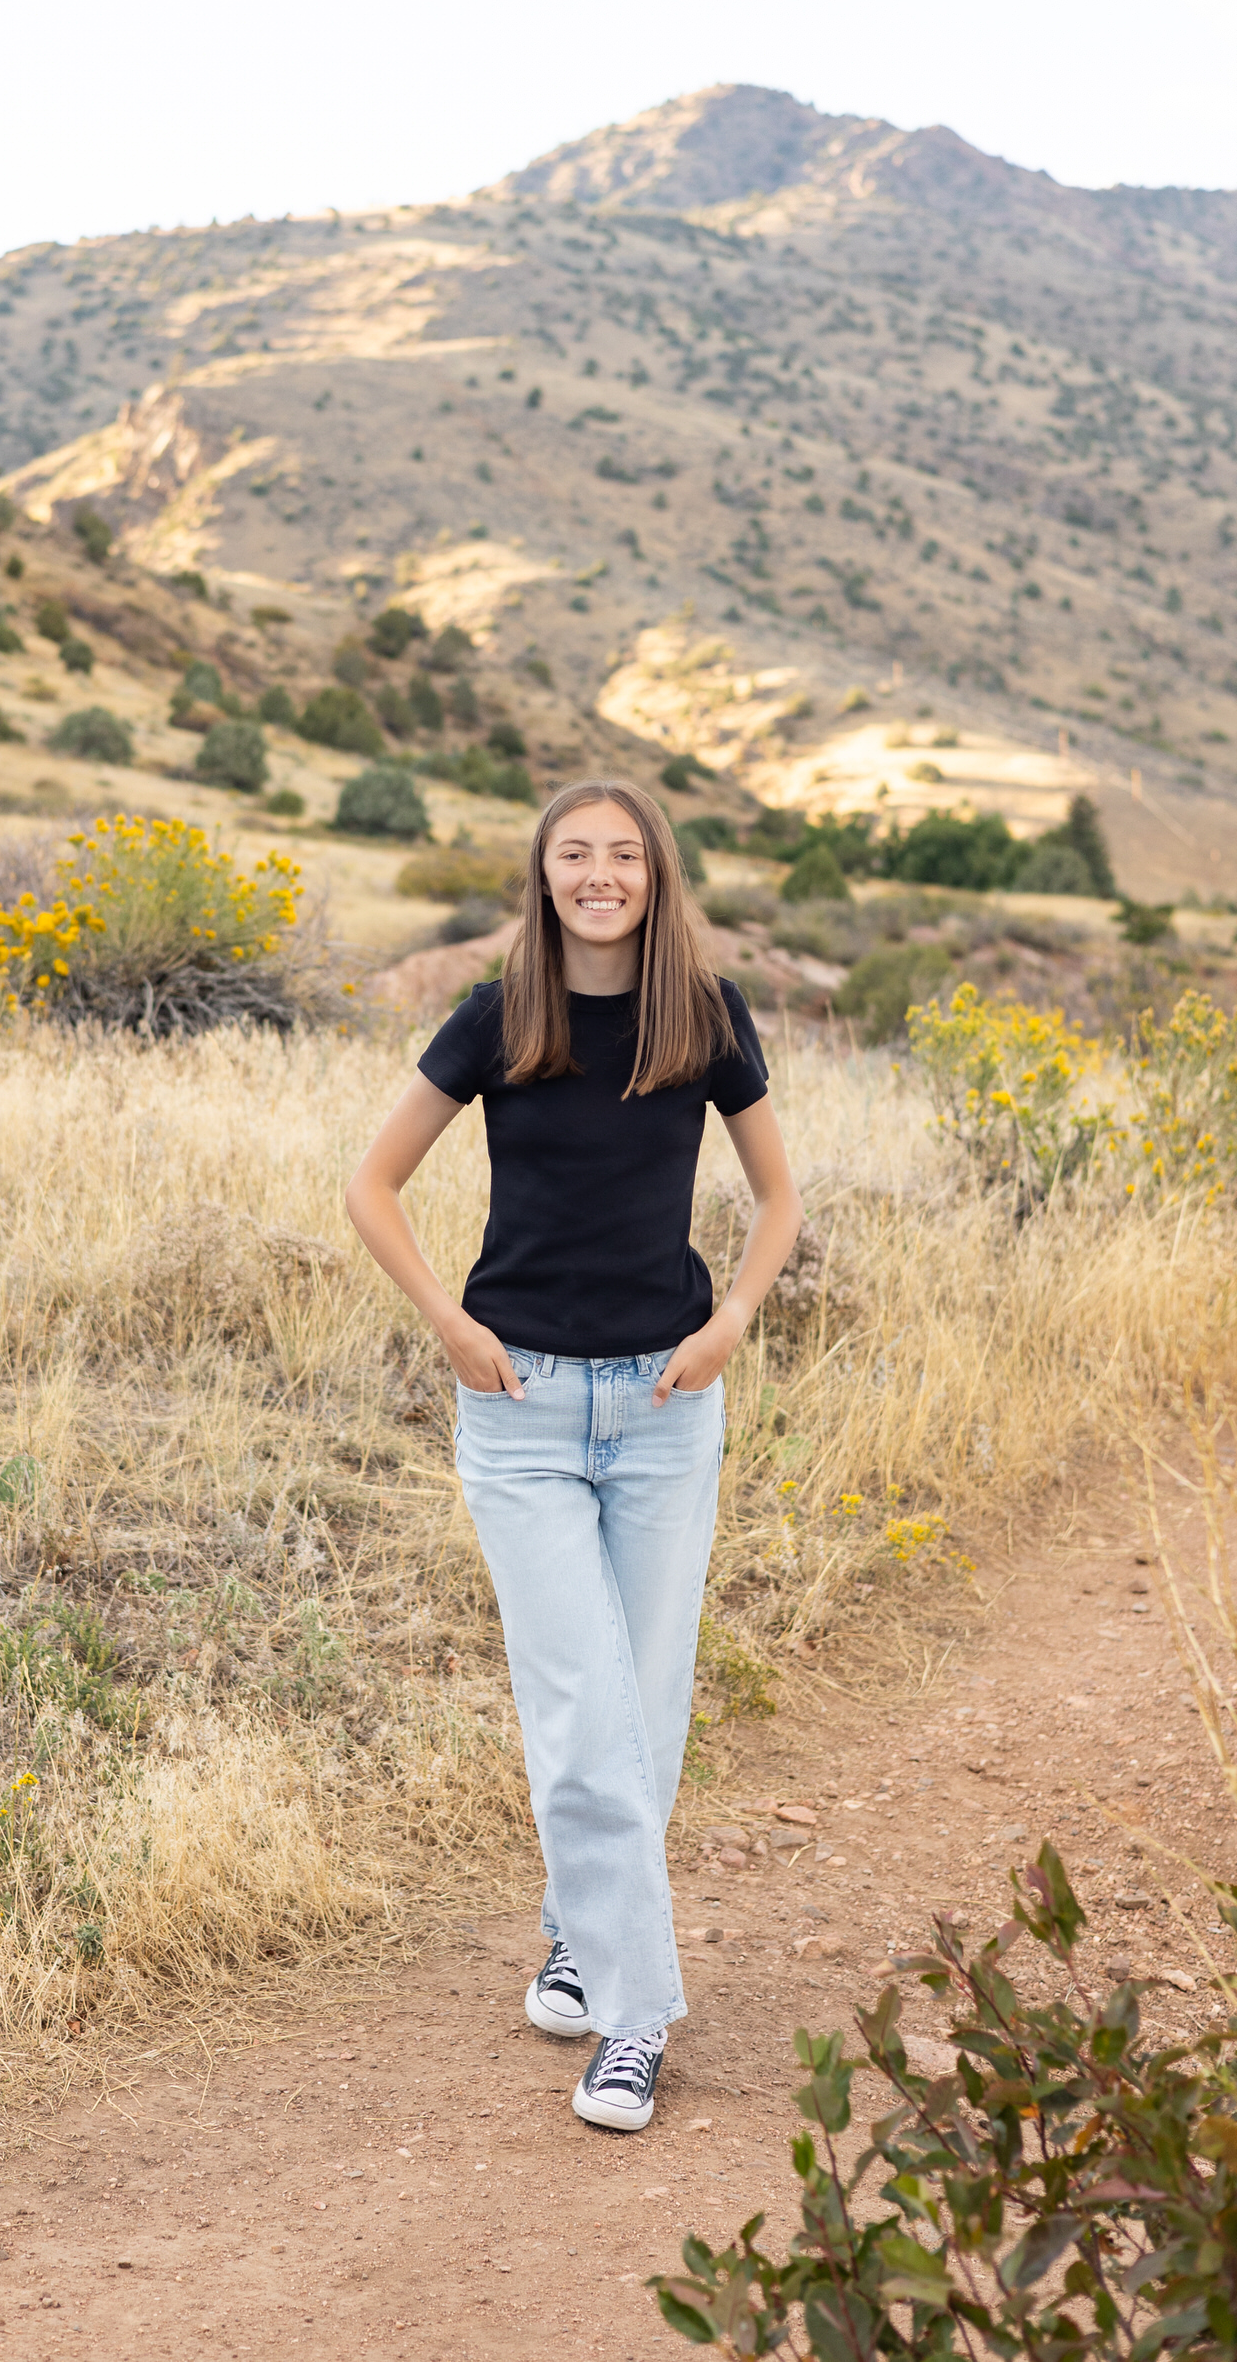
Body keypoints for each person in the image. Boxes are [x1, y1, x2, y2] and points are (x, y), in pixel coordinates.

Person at [346, 780, 802, 2131]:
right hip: (522, 1411)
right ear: (540, 878)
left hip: (666, 1406)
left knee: (642, 1711)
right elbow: (370, 1185)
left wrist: (727, 1326)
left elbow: (778, 1198)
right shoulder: (497, 1016)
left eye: (621, 856)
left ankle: (575, 1932)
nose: (598, 875)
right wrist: (451, 1326)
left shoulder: (704, 1016)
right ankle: (635, 2016)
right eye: (573, 856)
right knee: (581, 1713)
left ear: (654, 876)